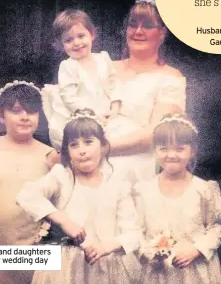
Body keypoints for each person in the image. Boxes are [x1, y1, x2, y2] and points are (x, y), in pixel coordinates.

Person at [16, 108, 141, 284]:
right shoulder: (62, 176)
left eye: (88, 142)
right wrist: (63, 221)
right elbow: (27, 195)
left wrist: (107, 246)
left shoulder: (116, 183)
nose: (81, 150)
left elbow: (133, 234)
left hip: (103, 269)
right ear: (67, 151)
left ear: (103, 146)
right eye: (74, 145)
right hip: (65, 268)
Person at [0, 80, 59, 284]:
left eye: (31, 111)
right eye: (16, 110)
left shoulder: (50, 156)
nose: (24, 117)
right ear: (1, 115)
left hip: (32, 250)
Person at [132, 113, 221, 284]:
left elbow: (216, 227)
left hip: (194, 272)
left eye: (179, 149)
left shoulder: (204, 189)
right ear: (155, 149)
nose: (171, 155)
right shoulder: (143, 190)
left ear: (192, 151)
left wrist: (196, 250)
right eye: (163, 148)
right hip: (158, 274)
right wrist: (149, 253)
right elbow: (136, 231)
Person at [106, 0, 186, 181]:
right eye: (133, 24)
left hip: (132, 165)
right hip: (85, 158)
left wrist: (103, 148)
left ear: (162, 34)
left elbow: (155, 134)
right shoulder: (106, 66)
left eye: (148, 26)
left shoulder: (171, 78)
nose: (138, 31)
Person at [43, 9, 121, 148]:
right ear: (61, 45)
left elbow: (113, 84)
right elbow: (69, 99)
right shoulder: (68, 66)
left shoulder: (103, 58)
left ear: (92, 34)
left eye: (81, 36)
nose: (76, 43)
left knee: (120, 134)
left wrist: (115, 107)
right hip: (81, 116)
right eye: (69, 40)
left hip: (107, 114)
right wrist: (94, 114)